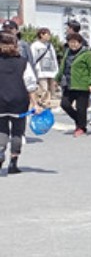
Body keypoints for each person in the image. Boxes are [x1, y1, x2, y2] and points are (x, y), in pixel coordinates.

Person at [0, 32, 38, 174]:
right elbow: (30, 84)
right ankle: (13, 163)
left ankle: (0, 151)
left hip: (0, 100)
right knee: (18, 132)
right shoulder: (23, 62)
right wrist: (35, 103)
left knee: (1, 129)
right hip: (19, 100)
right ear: (15, 46)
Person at [57, 31, 91, 137]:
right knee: (64, 104)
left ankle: (81, 127)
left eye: (75, 42)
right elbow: (63, 67)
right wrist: (58, 78)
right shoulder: (67, 53)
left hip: (82, 85)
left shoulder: (87, 54)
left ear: (80, 43)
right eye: (70, 42)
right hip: (68, 84)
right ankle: (80, 120)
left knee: (81, 108)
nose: (73, 44)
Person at [30, 27, 59, 109]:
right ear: (41, 35)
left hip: (51, 71)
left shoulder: (50, 45)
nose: (49, 36)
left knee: (51, 90)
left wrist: (56, 70)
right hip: (41, 71)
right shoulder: (35, 45)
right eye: (47, 34)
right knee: (44, 89)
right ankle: (41, 103)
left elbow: (54, 58)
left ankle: (47, 104)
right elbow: (33, 58)